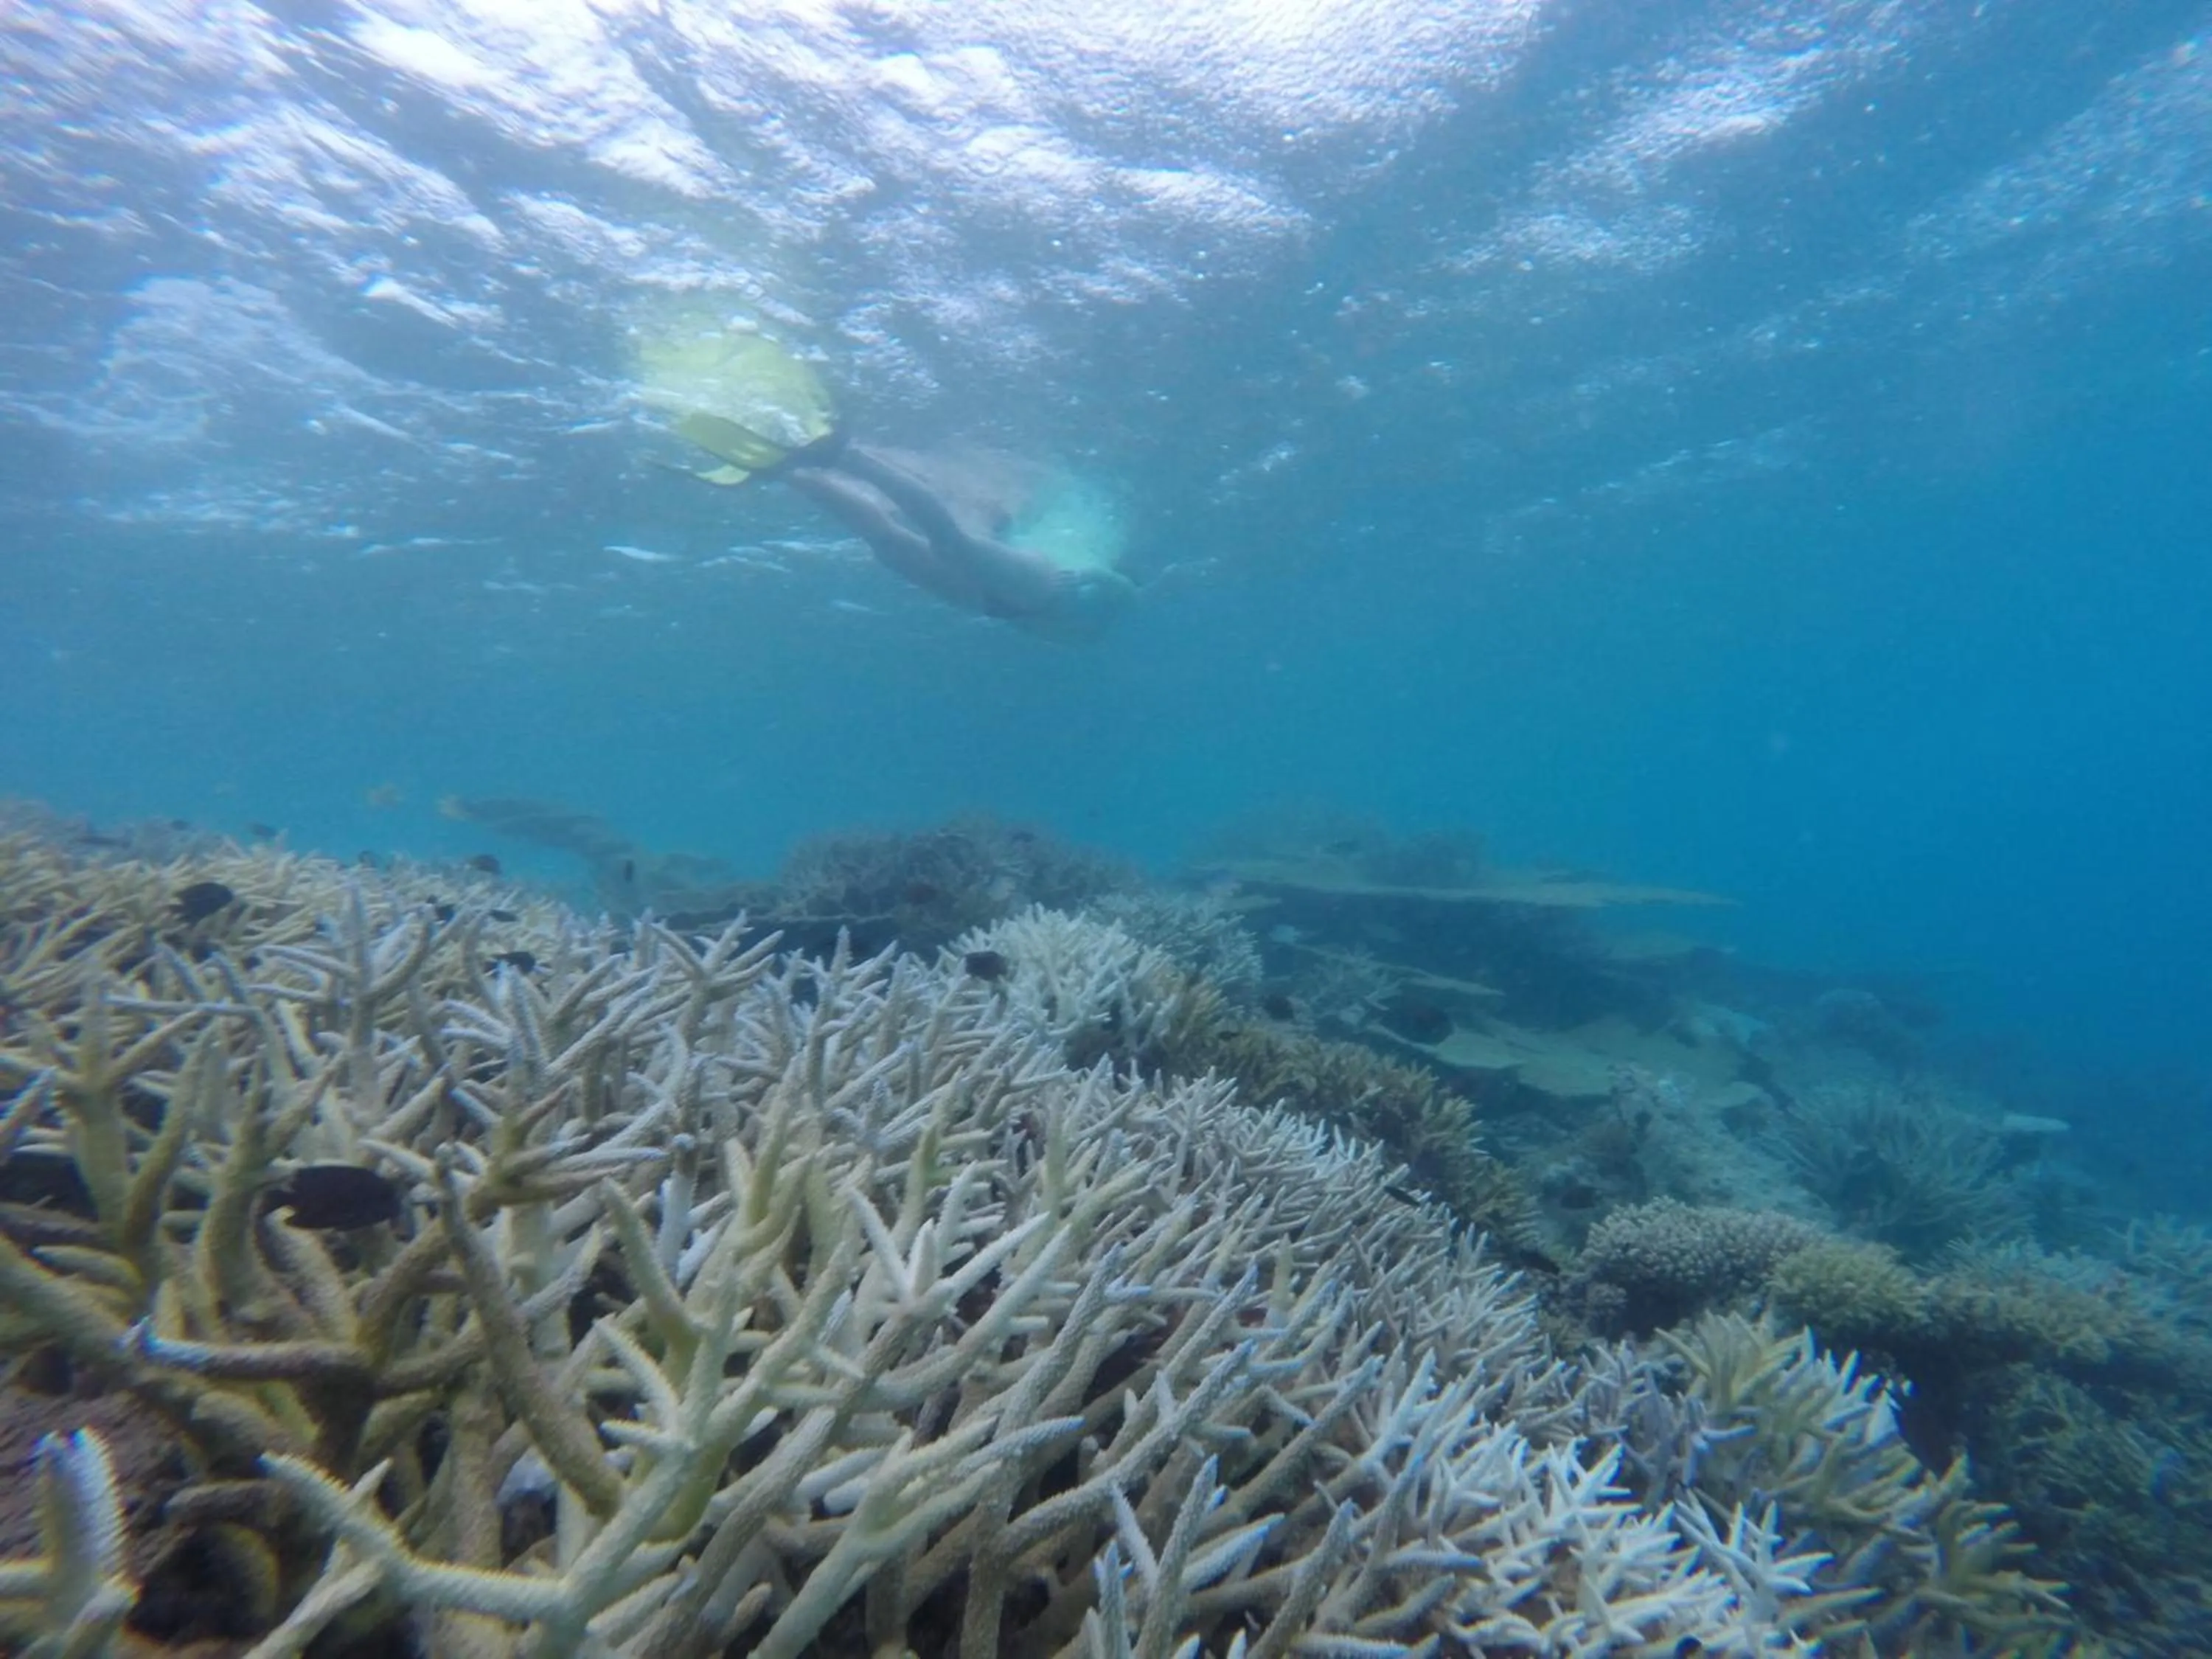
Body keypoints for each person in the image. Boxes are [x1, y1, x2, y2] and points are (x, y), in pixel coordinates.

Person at [639, 326, 1133, 643]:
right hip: (1046, 591)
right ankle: (846, 455)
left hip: (999, 610)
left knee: (888, 543)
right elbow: (1117, 587)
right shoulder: (1097, 582)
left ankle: (793, 473)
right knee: (955, 542)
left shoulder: (1098, 615)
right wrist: (1089, 578)